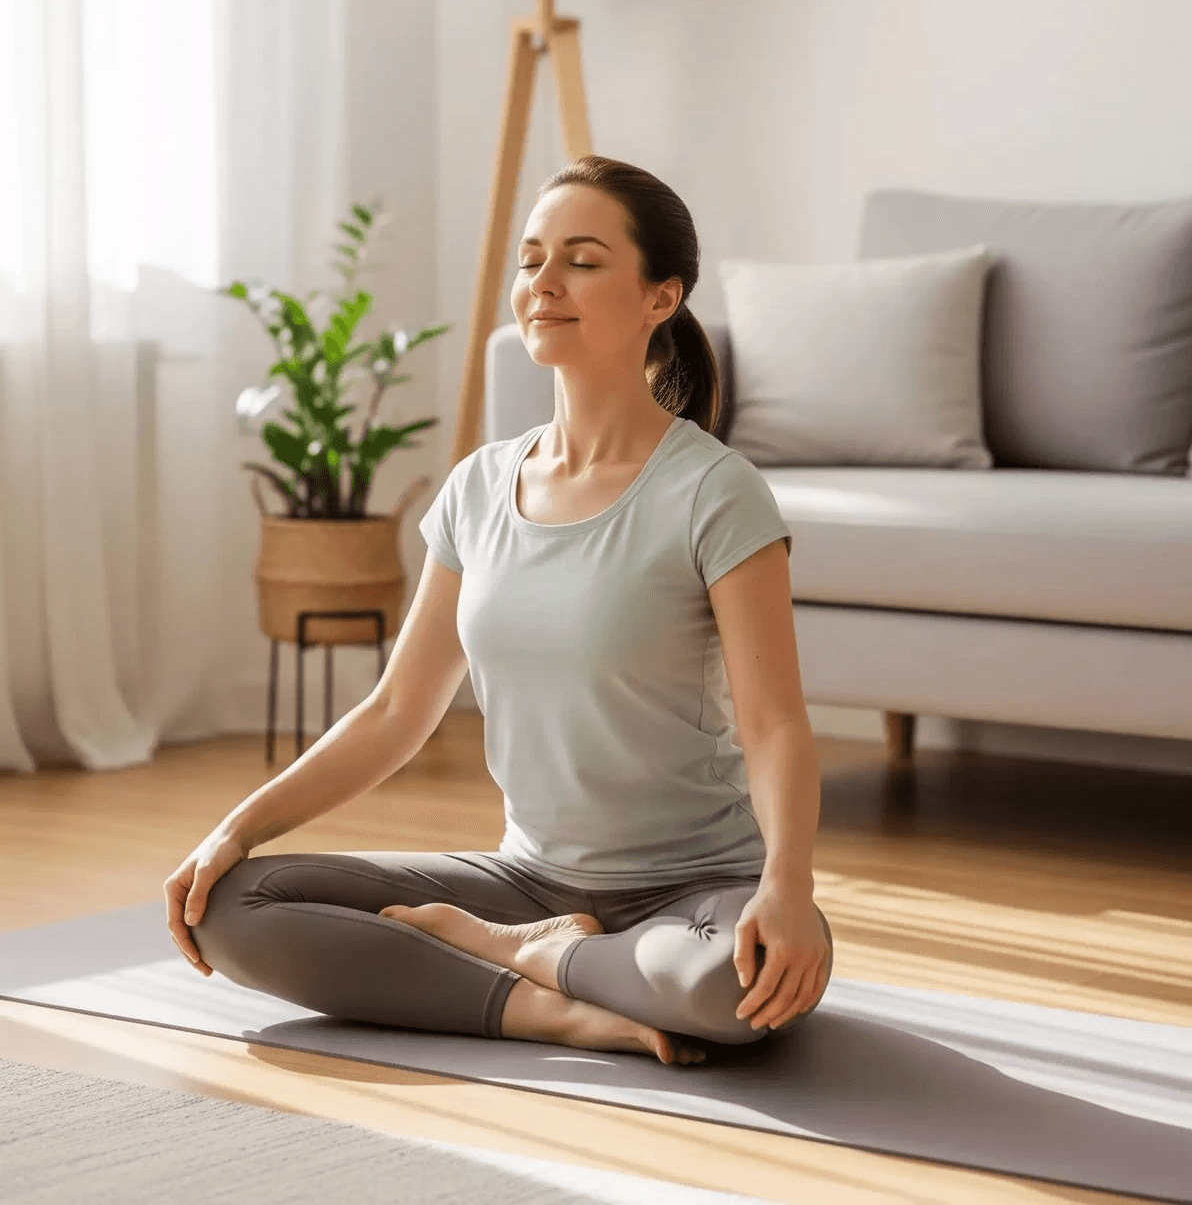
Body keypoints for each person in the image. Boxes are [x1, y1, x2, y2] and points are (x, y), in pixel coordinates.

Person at [164, 155, 833, 1067]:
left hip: (695, 892)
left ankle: (521, 956)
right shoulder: (479, 487)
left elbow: (776, 726)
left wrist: (787, 884)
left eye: (583, 261)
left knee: (732, 989)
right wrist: (237, 827)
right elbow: (398, 713)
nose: (544, 284)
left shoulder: (716, 494)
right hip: (523, 879)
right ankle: (550, 999)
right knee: (235, 907)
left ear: (660, 297)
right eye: (531, 260)